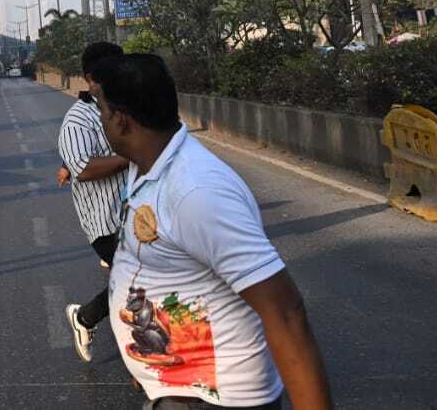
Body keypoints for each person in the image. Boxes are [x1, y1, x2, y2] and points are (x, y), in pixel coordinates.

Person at [93, 54, 332, 410]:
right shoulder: (148, 165)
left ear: (122, 120)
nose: (100, 119)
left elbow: (285, 311)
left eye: (102, 109)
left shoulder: (197, 191)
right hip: (179, 389)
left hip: (219, 399)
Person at [58, 41, 127, 363]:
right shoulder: (77, 121)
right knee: (145, 284)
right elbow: (83, 168)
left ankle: (85, 318)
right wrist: (129, 155)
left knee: (136, 286)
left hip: (139, 214)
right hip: (106, 222)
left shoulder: (123, 108)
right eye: (109, 74)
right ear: (90, 79)